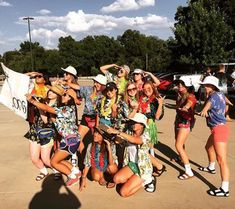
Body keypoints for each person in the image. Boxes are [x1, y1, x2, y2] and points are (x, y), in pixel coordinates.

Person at [26, 85, 82, 186]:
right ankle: (76, 172)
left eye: (65, 95)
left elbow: (49, 109)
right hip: (69, 139)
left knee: (54, 162)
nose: (62, 96)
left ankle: (72, 176)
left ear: (70, 98)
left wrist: (33, 101)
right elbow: (54, 119)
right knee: (58, 160)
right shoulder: (64, 107)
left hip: (71, 140)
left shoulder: (67, 109)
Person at [107, 113, 154, 197]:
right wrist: (116, 137)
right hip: (132, 165)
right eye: (133, 122)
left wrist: (118, 132)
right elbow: (120, 141)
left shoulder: (146, 135)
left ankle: (147, 180)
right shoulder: (130, 132)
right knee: (116, 179)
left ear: (142, 125)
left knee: (123, 193)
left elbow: (135, 140)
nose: (133, 124)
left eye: (136, 122)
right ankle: (134, 179)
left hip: (142, 168)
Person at [198, 76, 230, 197]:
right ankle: (211, 167)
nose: (204, 87)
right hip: (218, 129)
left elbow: (209, 104)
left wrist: (205, 109)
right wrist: (227, 106)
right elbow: (225, 100)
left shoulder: (213, 96)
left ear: (212, 86)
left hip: (219, 130)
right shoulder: (219, 94)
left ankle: (224, 189)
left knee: (222, 160)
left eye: (206, 85)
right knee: (208, 147)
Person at [24, 72, 52, 181]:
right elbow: (20, 79)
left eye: (39, 76)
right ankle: (44, 171)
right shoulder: (32, 87)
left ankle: (56, 169)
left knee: (46, 158)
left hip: (45, 125)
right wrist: (32, 73)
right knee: (34, 158)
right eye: (36, 77)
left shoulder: (48, 90)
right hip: (34, 125)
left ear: (45, 80)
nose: (36, 78)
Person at [138, 81, 166, 177]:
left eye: (149, 89)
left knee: (146, 149)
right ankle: (153, 166)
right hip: (141, 125)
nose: (146, 91)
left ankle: (158, 167)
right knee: (146, 148)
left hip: (149, 126)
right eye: (145, 89)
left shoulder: (156, 100)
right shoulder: (142, 98)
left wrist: (161, 104)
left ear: (153, 88)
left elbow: (157, 117)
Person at [174, 77, 197, 180]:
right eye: (179, 84)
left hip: (185, 121)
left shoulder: (191, 96)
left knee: (178, 145)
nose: (179, 86)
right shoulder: (179, 94)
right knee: (180, 143)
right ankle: (180, 157)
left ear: (187, 86)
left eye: (182, 84)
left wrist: (186, 107)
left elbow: (190, 102)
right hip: (179, 120)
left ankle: (189, 171)